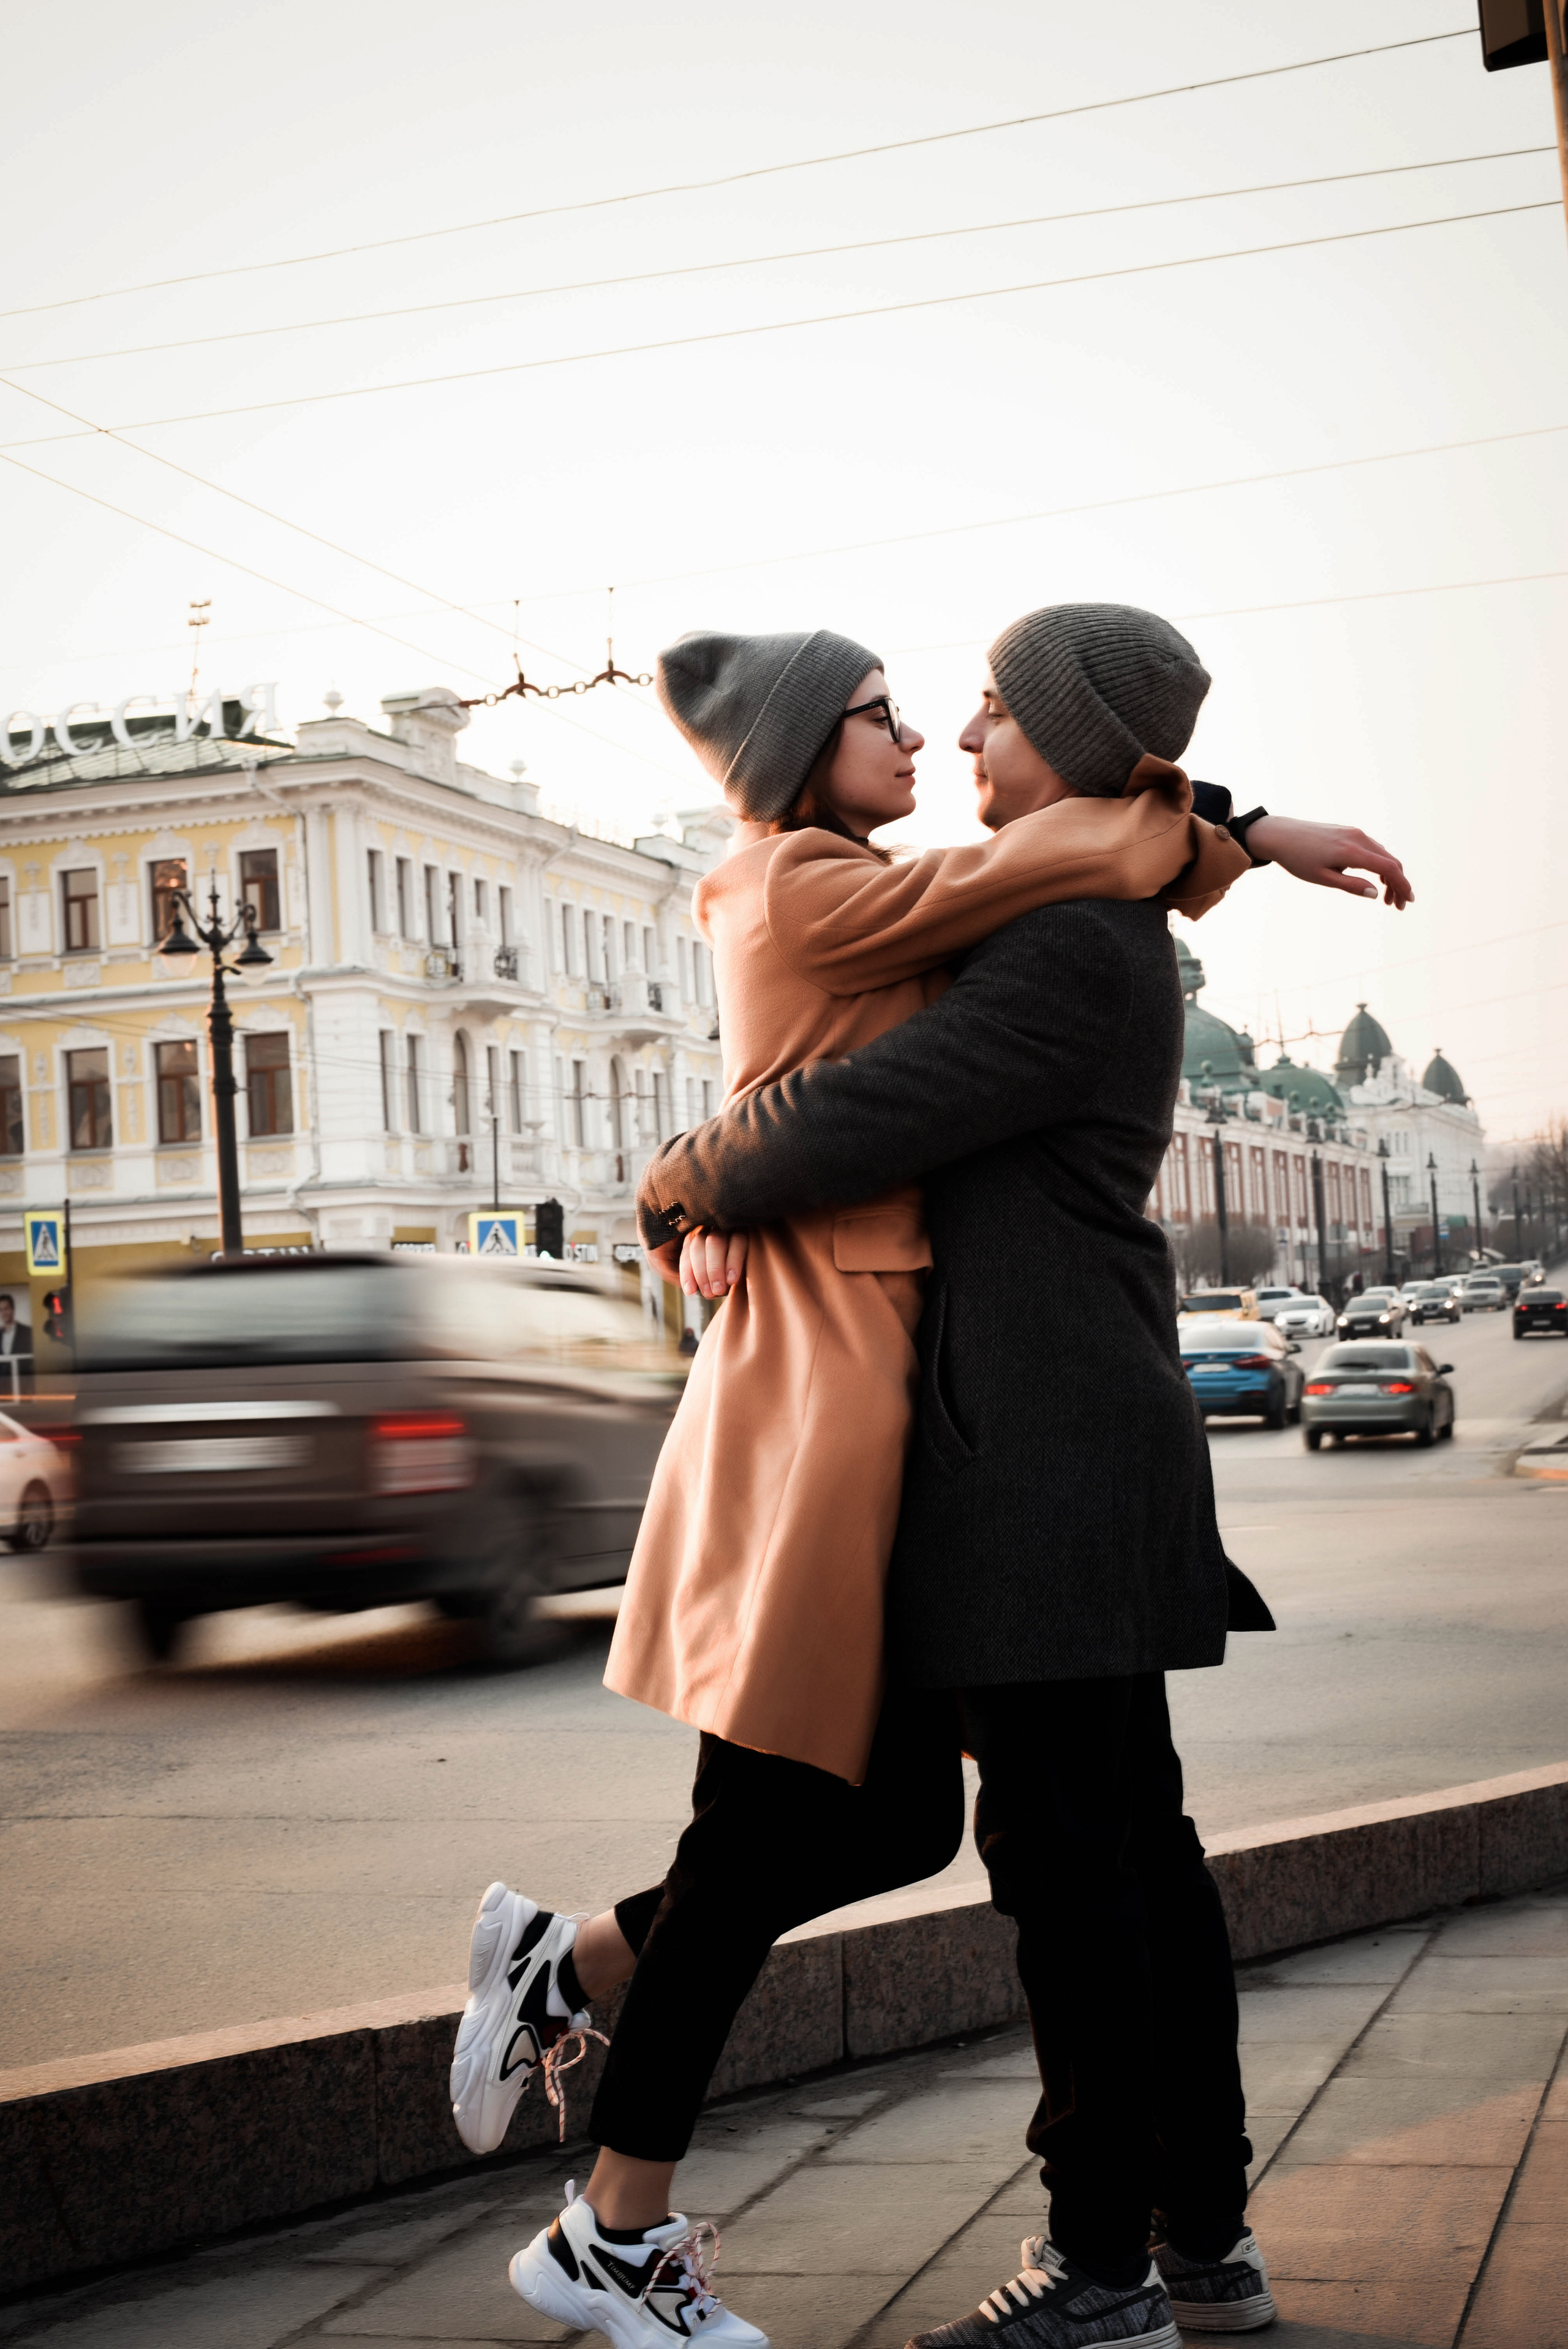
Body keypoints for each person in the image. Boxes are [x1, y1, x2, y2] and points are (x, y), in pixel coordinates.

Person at [464, 609, 1411, 2349]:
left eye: (988, 708)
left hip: (1039, 1463)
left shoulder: (1063, 954)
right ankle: (1191, 2240)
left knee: (1077, 1875)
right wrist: (1247, 828)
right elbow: (1055, 867)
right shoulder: (1048, 911)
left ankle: (1105, 2266)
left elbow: (839, 1119)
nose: (964, 738)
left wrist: (674, 1181)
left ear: (1069, 738)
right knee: (1120, 1853)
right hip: (1044, 1451)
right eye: (930, 709)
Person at [0, 1293, 34, 1396]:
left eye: (7, 1309)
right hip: (2, 1391)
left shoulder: (28, 1332)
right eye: (1, 1310)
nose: (4, 1313)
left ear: (13, 1309)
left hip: (24, 1390)